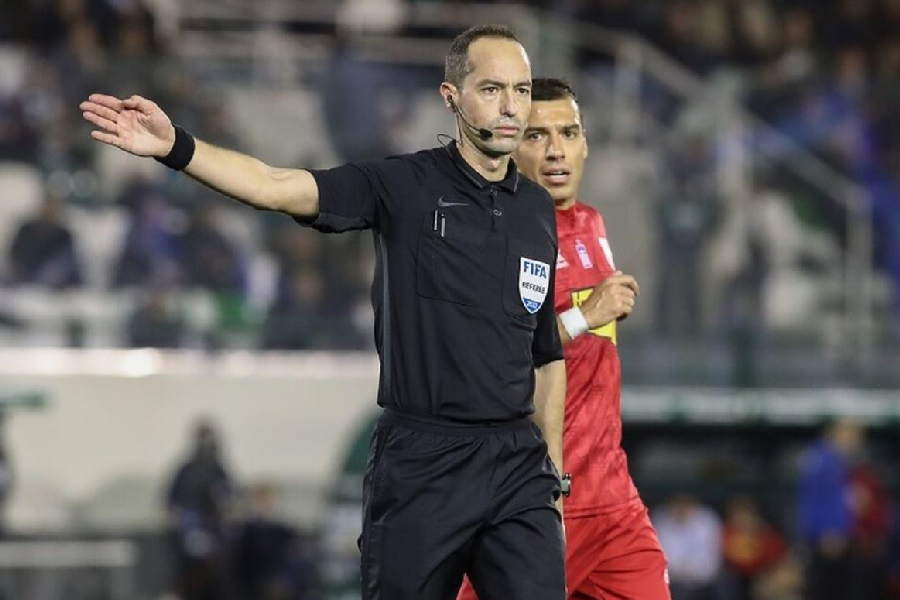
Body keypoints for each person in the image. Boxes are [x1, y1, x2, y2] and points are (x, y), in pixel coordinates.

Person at [81, 24, 567, 600]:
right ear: (451, 97)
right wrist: (176, 147)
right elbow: (274, 185)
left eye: (520, 90)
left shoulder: (537, 210)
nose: (511, 106)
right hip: (422, 464)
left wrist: (552, 478)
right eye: (491, 89)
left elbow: (545, 354)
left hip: (516, 466)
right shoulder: (403, 185)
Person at [458, 77, 669, 600]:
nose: (556, 150)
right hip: (539, 496)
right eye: (537, 136)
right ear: (512, 146)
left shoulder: (592, 223)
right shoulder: (498, 235)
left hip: (613, 500)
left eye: (568, 133)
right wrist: (585, 316)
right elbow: (489, 358)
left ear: (585, 144)